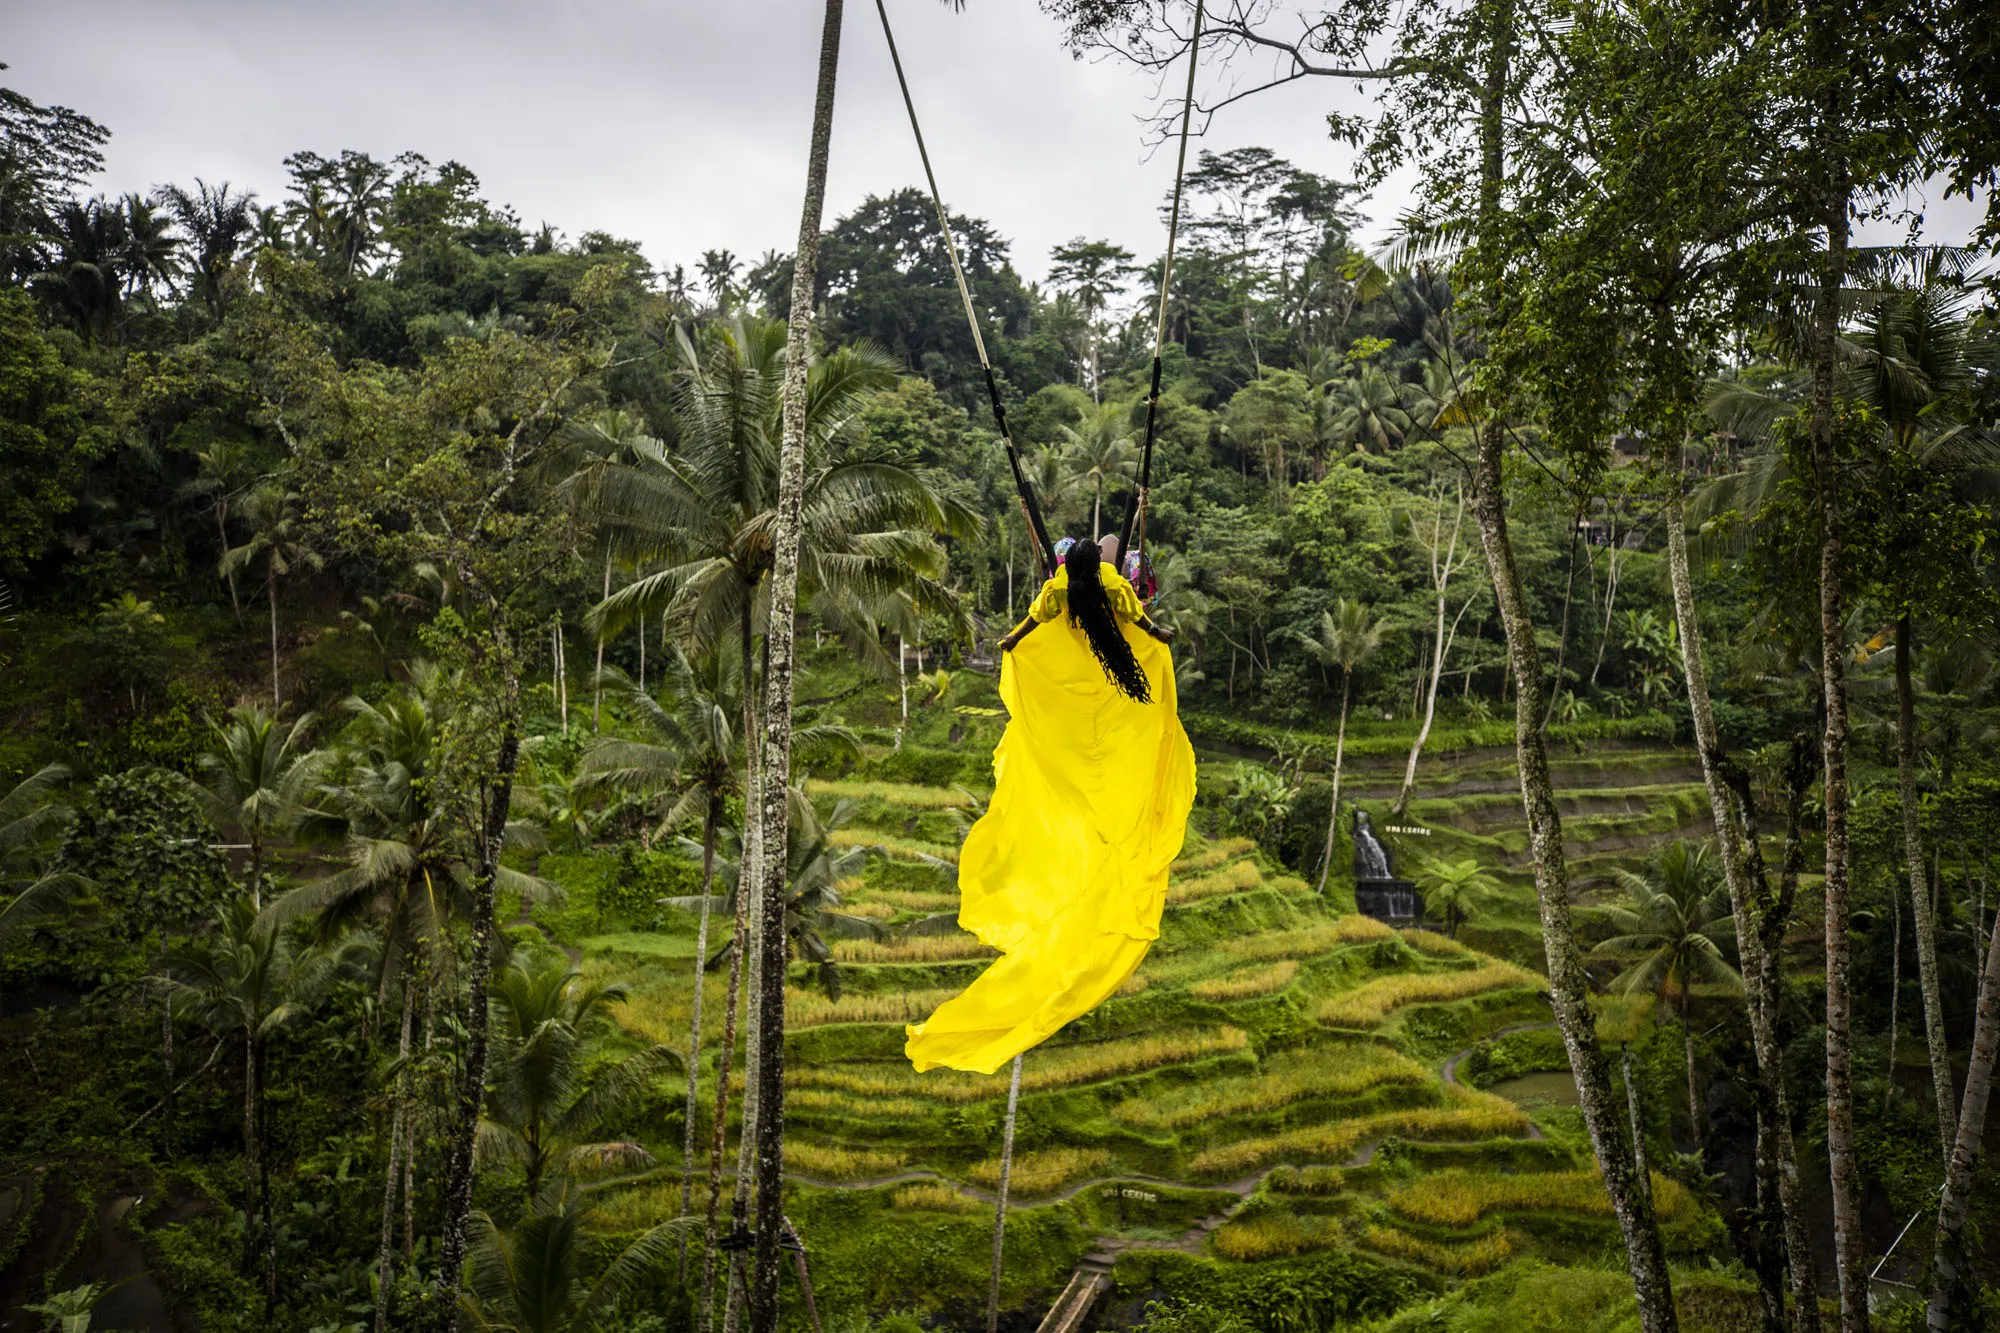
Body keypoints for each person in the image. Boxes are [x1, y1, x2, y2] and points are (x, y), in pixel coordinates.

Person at [903, 534, 1196, 1076]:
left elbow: (1031, 625)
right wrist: (1158, 635)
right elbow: (1143, 620)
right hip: (1107, 684)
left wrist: (1010, 643)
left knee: (1081, 768)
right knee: (1115, 762)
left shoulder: (1060, 589)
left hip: (1074, 682)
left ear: (1069, 566)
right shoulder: (1112, 585)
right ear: (1099, 565)